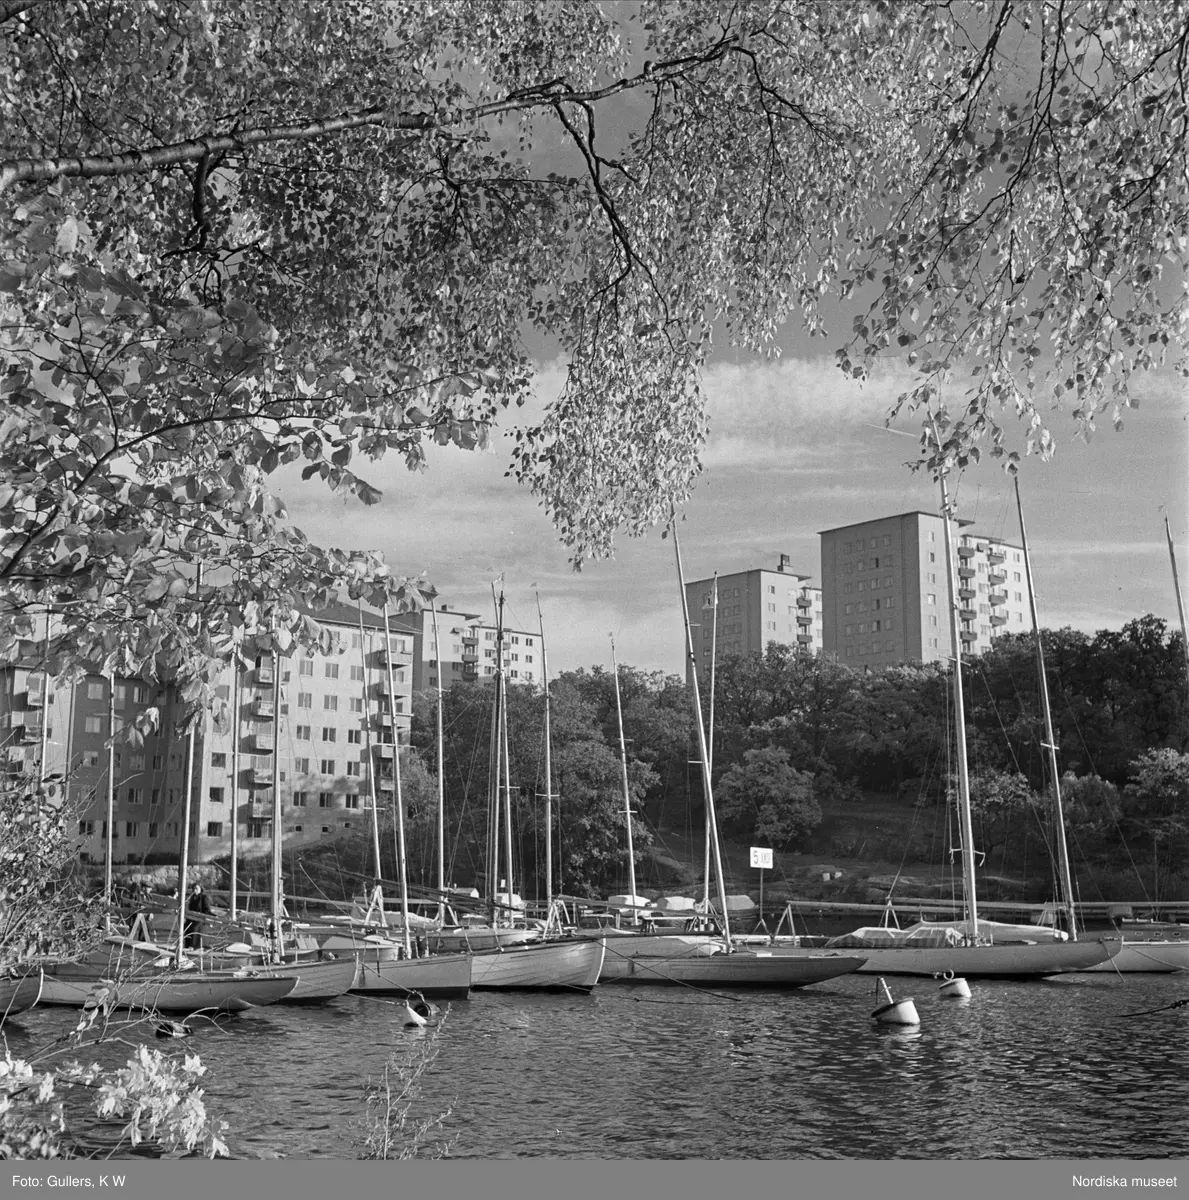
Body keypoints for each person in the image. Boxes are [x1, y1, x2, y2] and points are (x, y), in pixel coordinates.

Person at [184, 884, 211, 948]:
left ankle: (193, 946)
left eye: (196, 889)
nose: (194, 890)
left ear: (200, 889)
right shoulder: (192, 897)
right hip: (192, 917)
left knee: (194, 927)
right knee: (185, 926)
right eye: (193, 889)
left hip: (200, 918)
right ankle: (187, 945)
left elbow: (207, 909)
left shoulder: (204, 897)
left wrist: (201, 915)